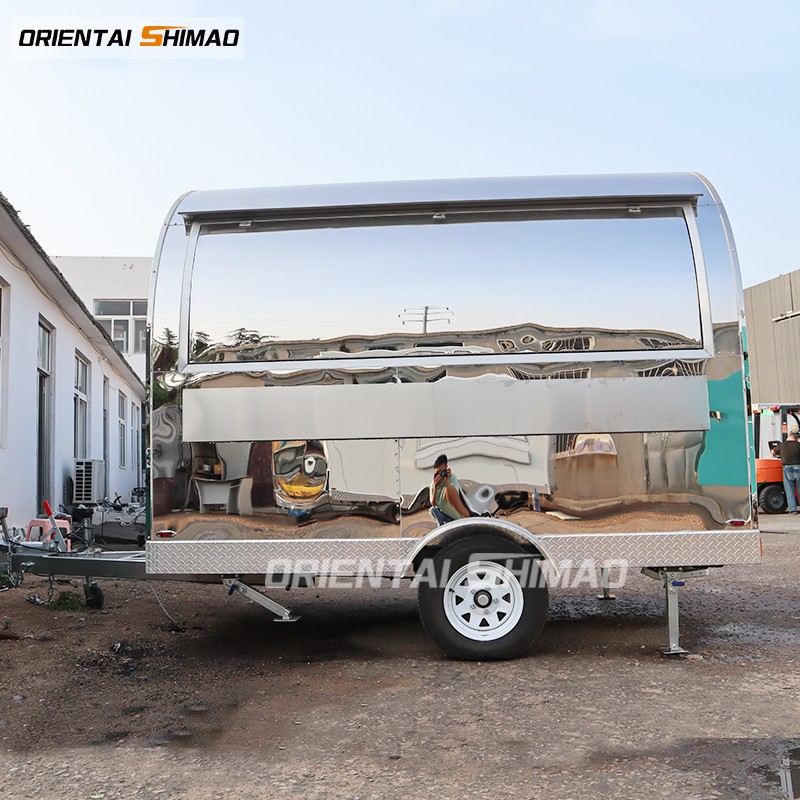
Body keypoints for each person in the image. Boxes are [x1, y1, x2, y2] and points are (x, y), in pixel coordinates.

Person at [429, 454, 472, 526]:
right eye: (437, 473)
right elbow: (433, 504)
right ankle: (441, 527)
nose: (440, 475)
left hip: (456, 518)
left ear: (446, 469)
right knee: (432, 510)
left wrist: (447, 481)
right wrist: (436, 487)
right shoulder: (433, 485)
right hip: (445, 516)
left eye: (442, 472)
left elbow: (453, 498)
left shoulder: (452, 478)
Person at [772, 426, 800, 514]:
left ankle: (793, 510)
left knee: (789, 490)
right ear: (796, 436)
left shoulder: (781, 445)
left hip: (787, 468)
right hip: (798, 468)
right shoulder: (798, 445)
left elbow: (772, 452)